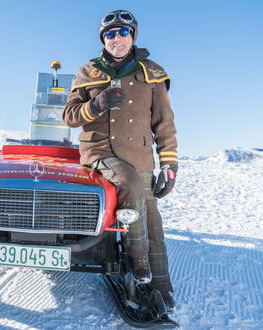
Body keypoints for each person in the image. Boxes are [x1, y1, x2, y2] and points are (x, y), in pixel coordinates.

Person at [62, 10, 178, 308]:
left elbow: (164, 122)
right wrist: (96, 104)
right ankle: (138, 268)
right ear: (103, 39)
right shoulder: (88, 71)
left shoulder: (152, 71)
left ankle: (161, 287)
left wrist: (169, 164)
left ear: (133, 36)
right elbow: (70, 116)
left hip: (139, 157)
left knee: (152, 220)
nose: (117, 39)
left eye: (122, 32)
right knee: (130, 184)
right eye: (110, 34)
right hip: (99, 153)